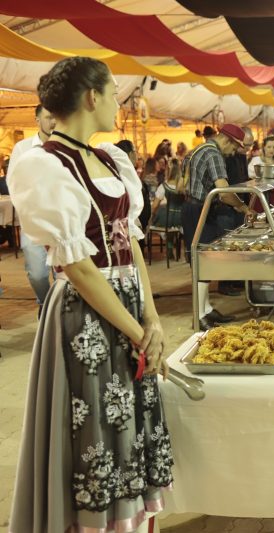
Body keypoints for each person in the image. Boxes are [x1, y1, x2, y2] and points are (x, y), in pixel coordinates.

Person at [7, 56, 174, 533]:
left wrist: (154, 319)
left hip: (127, 303)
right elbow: (79, 267)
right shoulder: (41, 163)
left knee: (132, 417)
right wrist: (138, 330)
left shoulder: (108, 158)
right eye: (114, 90)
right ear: (91, 97)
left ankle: (132, 523)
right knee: (97, 422)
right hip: (86, 312)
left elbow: (131, 242)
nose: (120, 101)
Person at [181, 123, 255, 330]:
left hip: (192, 207)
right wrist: (242, 207)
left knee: (203, 261)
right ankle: (199, 316)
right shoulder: (214, 154)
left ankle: (205, 309)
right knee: (202, 263)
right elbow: (223, 192)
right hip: (199, 210)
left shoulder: (198, 149)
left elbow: (182, 183)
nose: (233, 152)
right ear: (227, 140)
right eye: (235, 147)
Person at [7, 104, 57, 308]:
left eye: (56, 117)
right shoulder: (23, 149)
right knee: (37, 274)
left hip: (61, 221)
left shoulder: (65, 146)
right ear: (37, 120)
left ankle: (59, 313)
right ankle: (45, 306)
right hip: (33, 221)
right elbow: (13, 183)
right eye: (48, 117)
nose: (53, 121)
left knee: (66, 276)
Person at [149, 158, 184, 259]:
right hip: (181, 218)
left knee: (166, 221)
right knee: (175, 223)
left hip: (168, 218)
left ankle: (169, 248)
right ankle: (185, 251)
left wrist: (152, 216)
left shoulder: (163, 186)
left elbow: (154, 206)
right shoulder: (183, 187)